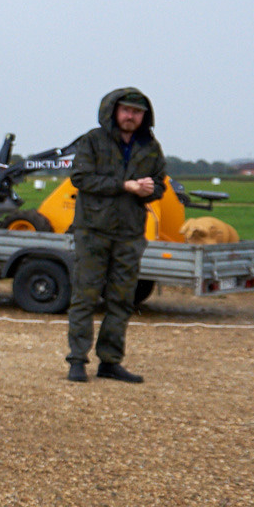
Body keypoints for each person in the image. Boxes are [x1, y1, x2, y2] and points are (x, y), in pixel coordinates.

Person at [64, 88, 165, 383]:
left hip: (130, 233)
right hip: (93, 231)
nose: (131, 116)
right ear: (113, 111)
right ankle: (77, 360)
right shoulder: (92, 141)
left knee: (122, 300)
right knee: (85, 296)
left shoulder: (150, 146)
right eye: (126, 110)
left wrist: (150, 189)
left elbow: (160, 183)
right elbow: (81, 178)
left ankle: (110, 361)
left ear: (144, 116)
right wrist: (126, 185)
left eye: (137, 112)